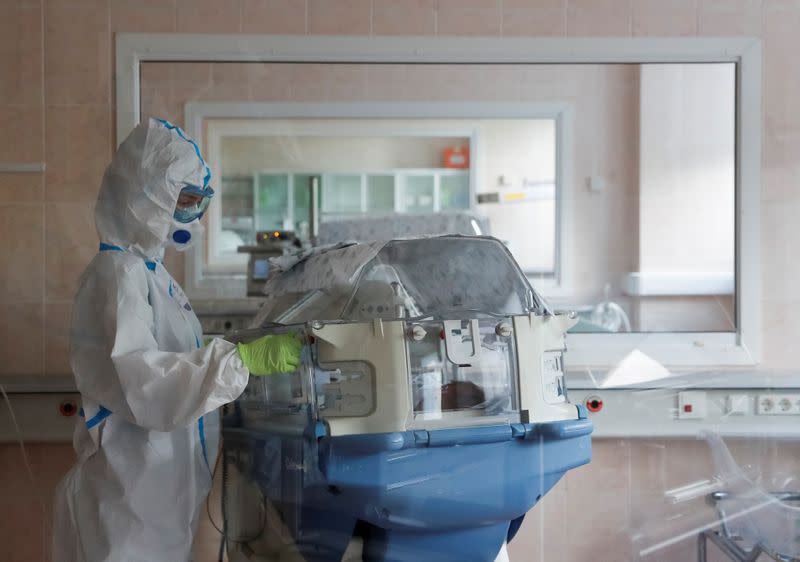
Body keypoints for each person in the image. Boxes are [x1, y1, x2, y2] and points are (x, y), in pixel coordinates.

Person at [53, 118, 301, 562]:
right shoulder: (119, 274)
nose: (192, 217)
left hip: (154, 489)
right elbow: (147, 383)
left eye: (197, 203)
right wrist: (239, 361)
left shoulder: (149, 273)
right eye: (183, 201)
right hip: (130, 491)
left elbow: (166, 355)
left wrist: (221, 348)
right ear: (143, 194)